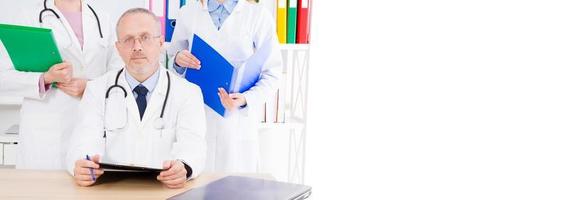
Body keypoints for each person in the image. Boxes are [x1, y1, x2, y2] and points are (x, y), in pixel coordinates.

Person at [65, 8, 206, 188]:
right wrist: (82, 165)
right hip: (111, 191)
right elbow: (84, 140)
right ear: (118, 47)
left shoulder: (188, 93)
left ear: (161, 42)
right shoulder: (97, 90)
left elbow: (194, 145)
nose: (137, 46)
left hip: (165, 192)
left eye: (145, 37)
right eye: (128, 39)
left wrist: (185, 167)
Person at [0, 0, 123, 169]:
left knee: (86, 189)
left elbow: (119, 74)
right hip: (46, 132)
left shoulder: (103, 20)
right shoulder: (27, 17)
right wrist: (45, 78)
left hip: (91, 125)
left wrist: (90, 86)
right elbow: (3, 76)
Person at [168, 0, 282, 173]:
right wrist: (178, 61)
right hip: (198, 116)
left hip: (236, 124)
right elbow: (172, 63)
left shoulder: (258, 15)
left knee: (236, 190)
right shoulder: (188, 13)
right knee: (194, 189)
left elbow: (272, 73)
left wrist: (245, 100)